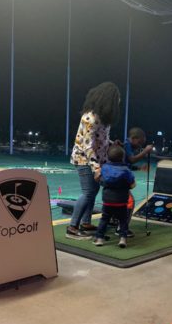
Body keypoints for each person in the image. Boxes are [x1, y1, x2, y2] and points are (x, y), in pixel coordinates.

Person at [66, 82, 120, 240]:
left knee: (93, 192)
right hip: (84, 160)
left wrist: (112, 144)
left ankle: (86, 223)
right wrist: (97, 169)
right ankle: (72, 227)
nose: (118, 102)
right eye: (116, 99)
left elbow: (101, 141)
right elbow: (87, 146)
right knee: (88, 193)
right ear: (107, 99)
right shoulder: (91, 117)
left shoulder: (103, 119)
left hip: (96, 161)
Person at [93, 145, 135, 248]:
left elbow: (97, 178)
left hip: (107, 201)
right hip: (121, 201)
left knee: (104, 219)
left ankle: (99, 238)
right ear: (122, 157)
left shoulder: (104, 168)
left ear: (108, 156)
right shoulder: (126, 170)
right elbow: (133, 185)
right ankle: (123, 238)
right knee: (123, 220)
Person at [118, 127, 154, 238]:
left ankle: (118, 224)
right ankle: (122, 228)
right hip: (120, 179)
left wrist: (139, 168)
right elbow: (131, 159)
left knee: (119, 202)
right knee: (130, 202)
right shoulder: (127, 145)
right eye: (139, 142)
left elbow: (127, 164)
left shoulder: (126, 145)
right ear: (133, 138)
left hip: (118, 178)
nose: (139, 146)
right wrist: (145, 151)